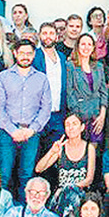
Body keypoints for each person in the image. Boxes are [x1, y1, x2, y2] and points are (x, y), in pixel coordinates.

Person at [0, 39, 51, 201]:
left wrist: (31, 130)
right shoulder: (3, 77)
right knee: (3, 175)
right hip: (7, 133)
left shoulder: (42, 79)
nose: (25, 56)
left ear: (34, 55)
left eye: (29, 53)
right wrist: (13, 130)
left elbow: (45, 109)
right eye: (22, 53)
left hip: (32, 133)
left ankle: (26, 213)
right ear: (15, 53)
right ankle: (0, 212)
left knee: (27, 176)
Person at [35, 113, 96, 217]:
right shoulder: (61, 147)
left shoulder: (89, 148)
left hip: (81, 194)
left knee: (71, 195)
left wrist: (70, 187)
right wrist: (52, 152)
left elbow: (89, 179)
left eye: (74, 124)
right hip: (61, 196)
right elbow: (39, 169)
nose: (71, 127)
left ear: (82, 127)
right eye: (67, 125)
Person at [65, 32, 108, 144]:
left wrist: (102, 115)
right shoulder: (70, 65)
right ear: (78, 46)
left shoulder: (98, 66)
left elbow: (103, 92)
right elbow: (70, 92)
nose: (86, 47)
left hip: (97, 116)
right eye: (83, 44)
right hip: (79, 116)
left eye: (89, 44)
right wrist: (78, 118)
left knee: (94, 149)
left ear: (93, 47)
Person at [33, 22, 69, 150]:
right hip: (38, 114)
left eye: (51, 33)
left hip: (58, 115)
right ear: (39, 36)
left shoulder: (62, 57)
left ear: (56, 37)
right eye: (45, 33)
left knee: (55, 154)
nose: (48, 36)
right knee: (35, 154)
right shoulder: (34, 56)